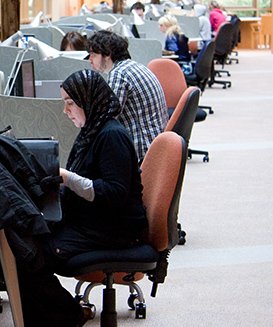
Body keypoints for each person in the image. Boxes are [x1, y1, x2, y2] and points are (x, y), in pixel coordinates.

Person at [17, 70, 147, 327]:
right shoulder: (93, 131)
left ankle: (68, 316)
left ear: (88, 102)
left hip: (112, 227)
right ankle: (56, 316)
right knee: (22, 237)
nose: (66, 111)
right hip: (93, 219)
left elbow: (115, 194)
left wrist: (66, 178)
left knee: (31, 254)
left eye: (70, 103)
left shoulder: (112, 136)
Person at [86, 31, 168, 161]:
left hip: (142, 152)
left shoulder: (118, 74)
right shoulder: (134, 66)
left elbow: (104, 117)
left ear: (107, 53)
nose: (89, 60)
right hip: (156, 146)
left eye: (93, 54)